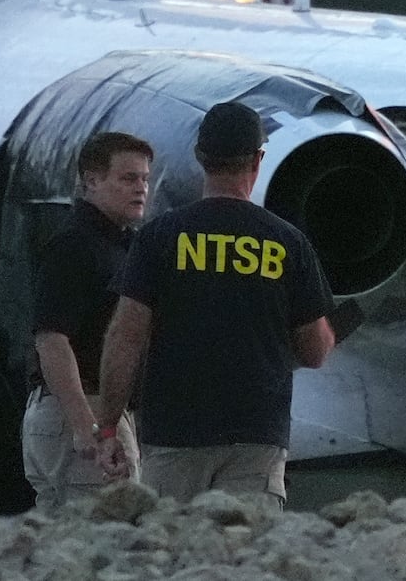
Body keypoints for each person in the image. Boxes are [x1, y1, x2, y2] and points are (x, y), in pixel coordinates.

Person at [95, 101, 336, 509]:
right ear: (258, 159)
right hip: (257, 435)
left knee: (171, 556)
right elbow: (314, 352)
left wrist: (108, 429)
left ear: (199, 157)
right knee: (247, 559)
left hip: (175, 433)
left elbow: (125, 337)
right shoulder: (287, 242)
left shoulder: (160, 236)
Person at [22, 130, 153, 509]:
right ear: (91, 181)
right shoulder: (76, 245)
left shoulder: (117, 246)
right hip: (82, 410)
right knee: (106, 542)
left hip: (85, 412)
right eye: (128, 178)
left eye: (145, 179)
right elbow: (51, 339)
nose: (141, 189)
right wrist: (86, 426)